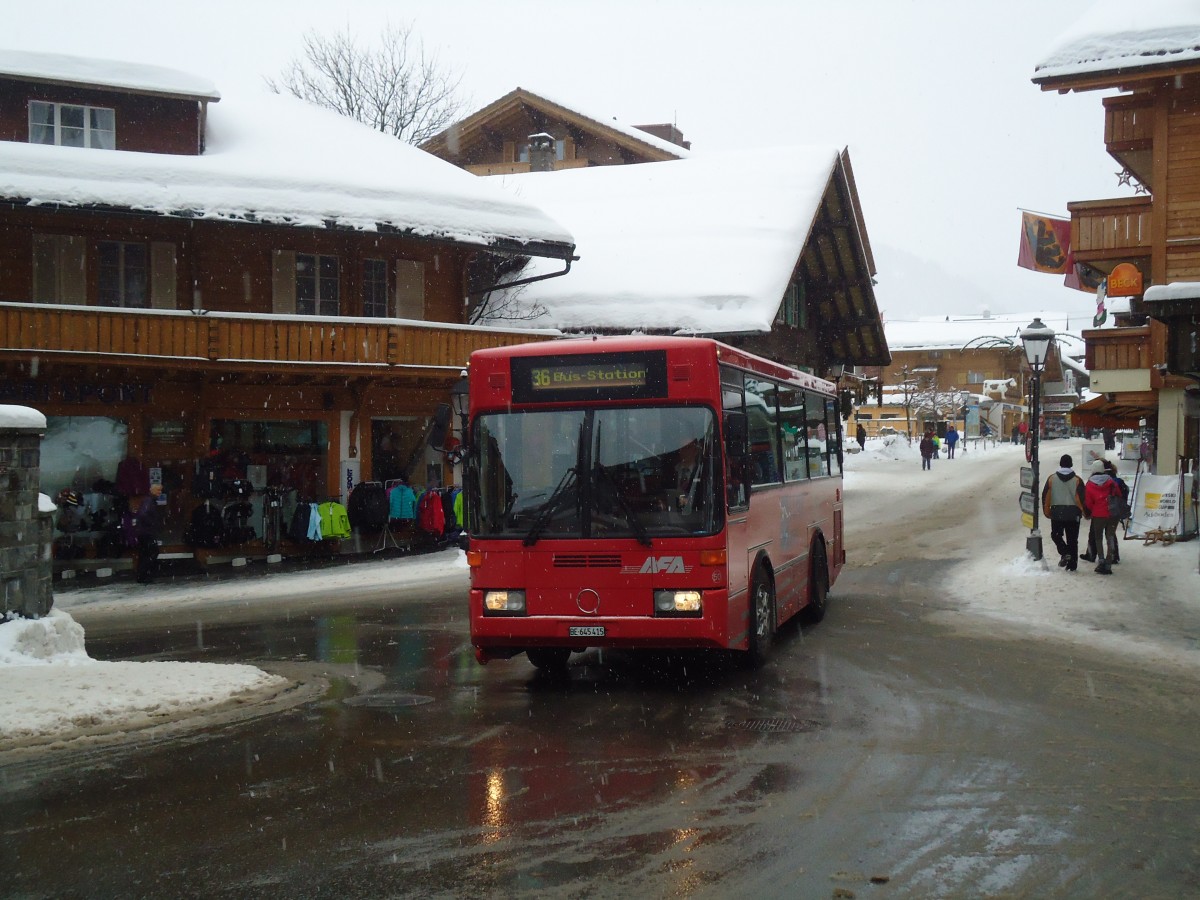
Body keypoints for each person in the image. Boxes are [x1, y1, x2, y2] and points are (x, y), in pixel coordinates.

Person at [1041, 454, 1087, 571]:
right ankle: (1072, 565)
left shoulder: (1052, 479)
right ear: (1071, 464)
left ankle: (1065, 552)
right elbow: (1082, 498)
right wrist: (1085, 512)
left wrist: (1047, 512)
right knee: (1072, 540)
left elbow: (1046, 496)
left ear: (1060, 464)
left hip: (1057, 513)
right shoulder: (1077, 480)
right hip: (1073, 514)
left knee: (1056, 535)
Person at [1083, 459, 1122, 575]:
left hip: (1098, 514)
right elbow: (1118, 494)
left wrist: (1093, 509)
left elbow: (1089, 502)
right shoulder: (1111, 481)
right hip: (1112, 513)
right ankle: (1109, 561)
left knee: (1098, 537)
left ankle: (1101, 560)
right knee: (1110, 536)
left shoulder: (1089, 484)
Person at [133, 484, 163, 584]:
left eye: (160, 490)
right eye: (158, 490)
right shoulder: (149, 501)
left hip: (144, 532)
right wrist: (152, 523)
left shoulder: (149, 500)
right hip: (146, 532)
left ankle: (142, 575)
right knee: (151, 552)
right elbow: (143, 514)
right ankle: (144, 575)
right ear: (152, 490)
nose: (160, 492)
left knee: (145, 553)